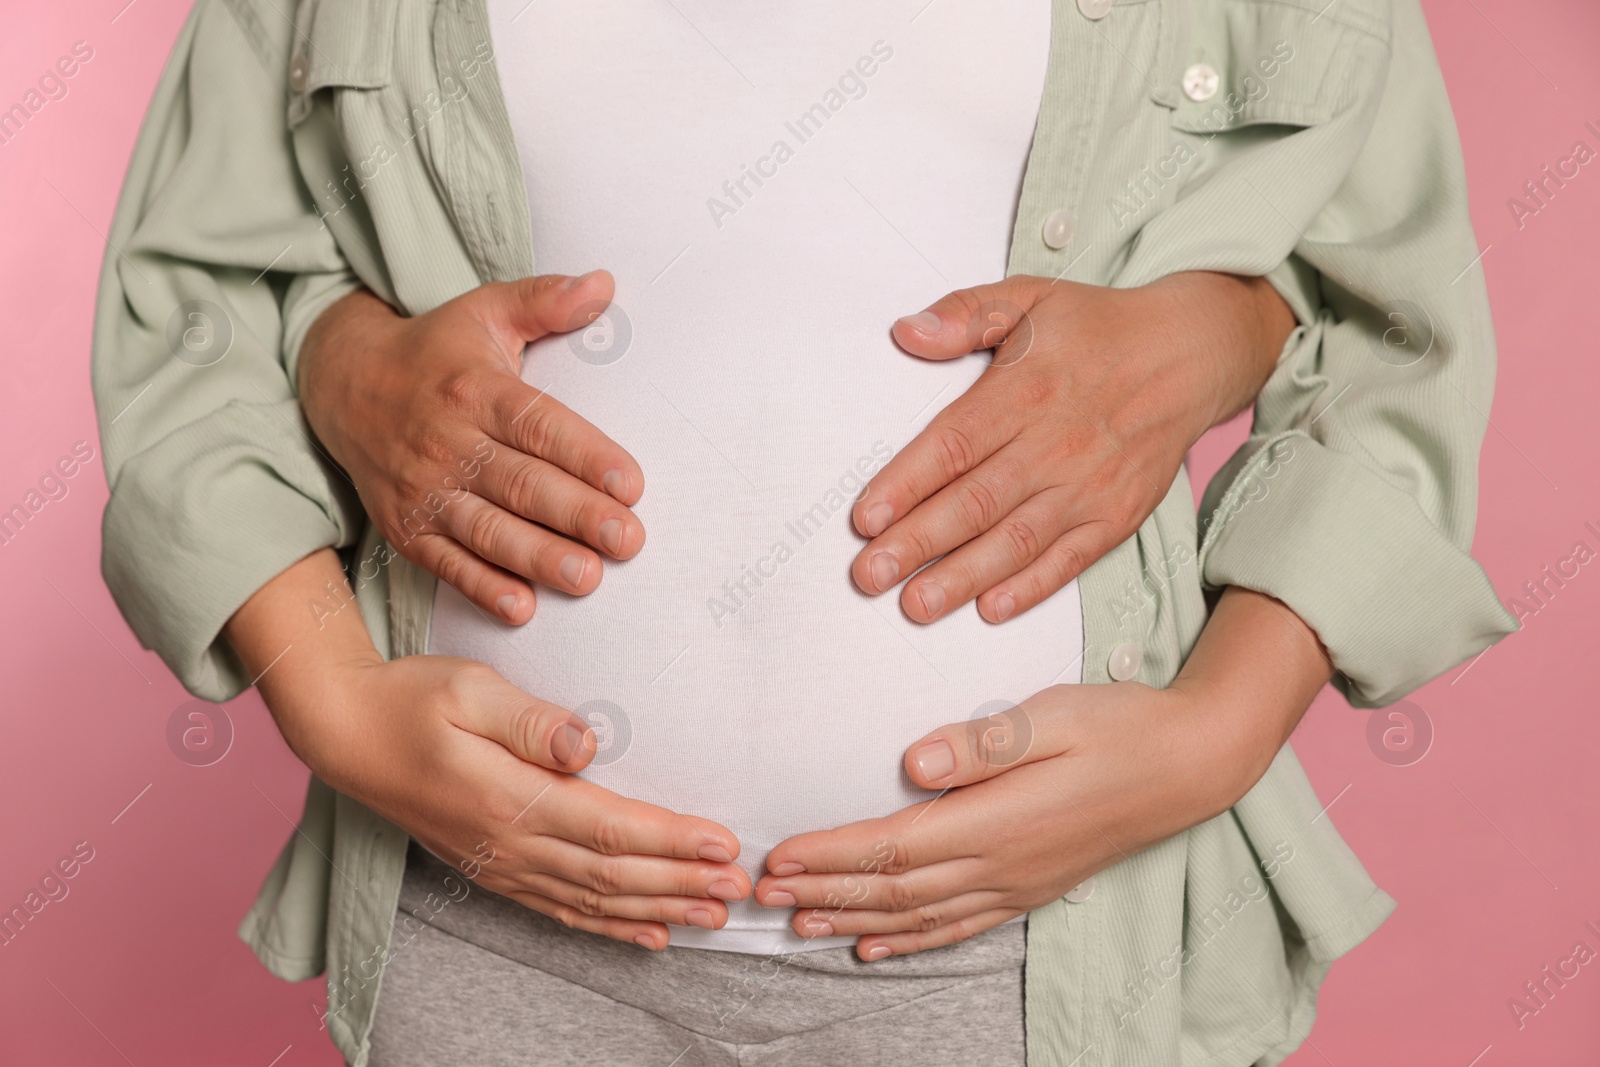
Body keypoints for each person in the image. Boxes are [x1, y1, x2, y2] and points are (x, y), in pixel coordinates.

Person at [92, 1, 1513, 1063]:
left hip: (1043, 961)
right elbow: (203, 302)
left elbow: (1390, 327)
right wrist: (332, 696)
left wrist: (1219, 729)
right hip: (483, 940)